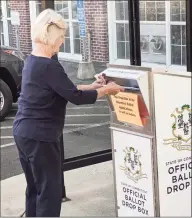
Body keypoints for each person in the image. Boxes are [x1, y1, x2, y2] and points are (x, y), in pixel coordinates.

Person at [13, 9, 124, 217]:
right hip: (41, 137)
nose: (62, 42)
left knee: (35, 189)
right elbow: (76, 98)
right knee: (49, 192)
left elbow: (67, 90)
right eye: (62, 37)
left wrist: (93, 86)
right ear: (51, 36)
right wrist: (106, 90)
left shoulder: (32, 61)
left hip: (23, 133)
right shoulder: (49, 65)